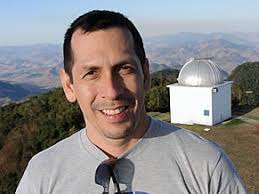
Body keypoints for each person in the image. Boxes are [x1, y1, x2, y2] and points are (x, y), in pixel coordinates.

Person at [16, 10, 248, 194]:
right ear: (69, 86)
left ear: (145, 75)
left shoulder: (205, 164)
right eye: (91, 73)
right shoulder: (42, 175)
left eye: (124, 69)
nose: (112, 91)